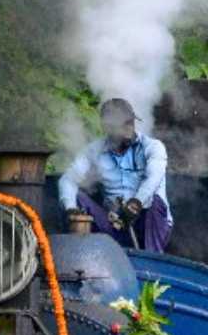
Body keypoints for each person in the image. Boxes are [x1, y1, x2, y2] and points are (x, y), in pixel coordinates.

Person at [58, 98, 172, 252]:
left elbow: (153, 178)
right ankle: (86, 257)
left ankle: (154, 259)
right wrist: (70, 208)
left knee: (155, 201)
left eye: (130, 122)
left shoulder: (153, 147)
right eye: (123, 125)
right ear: (107, 128)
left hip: (150, 224)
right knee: (77, 198)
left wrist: (136, 203)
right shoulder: (93, 151)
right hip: (114, 226)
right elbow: (67, 180)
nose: (129, 128)